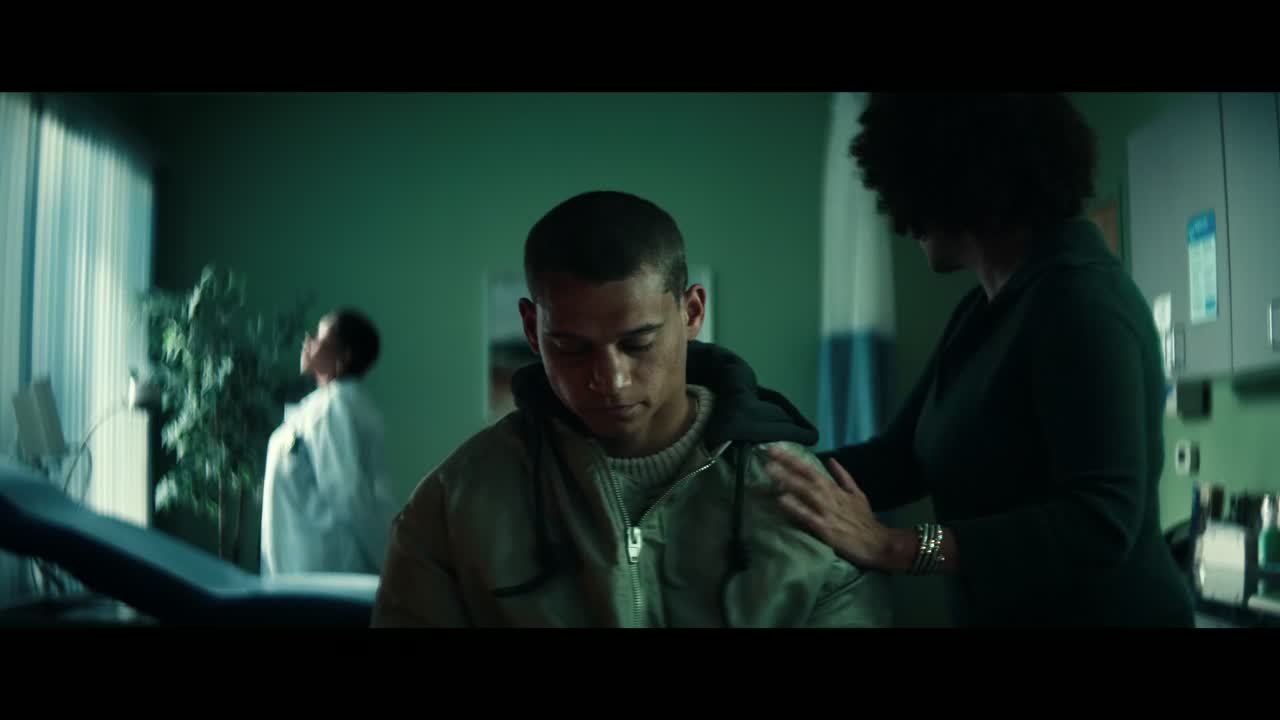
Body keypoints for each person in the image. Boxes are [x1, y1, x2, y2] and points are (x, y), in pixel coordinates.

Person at [764, 93, 1195, 627]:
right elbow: (901, 458)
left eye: (910, 188)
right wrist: (760, 475)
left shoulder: (1079, 301)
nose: (901, 220)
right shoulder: (982, 313)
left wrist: (896, 546)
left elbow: (1099, 522)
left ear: (964, 177)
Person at [372, 190, 890, 627]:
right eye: (572, 348)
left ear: (692, 312)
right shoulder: (456, 500)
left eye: (638, 343)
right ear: (532, 328)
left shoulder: (793, 490)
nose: (610, 379)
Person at [260, 308, 397, 576]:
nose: (307, 340)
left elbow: (348, 496)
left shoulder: (334, 406)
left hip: (324, 571)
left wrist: (393, 565)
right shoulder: (330, 405)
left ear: (344, 357)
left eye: (319, 337)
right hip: (310, 569)